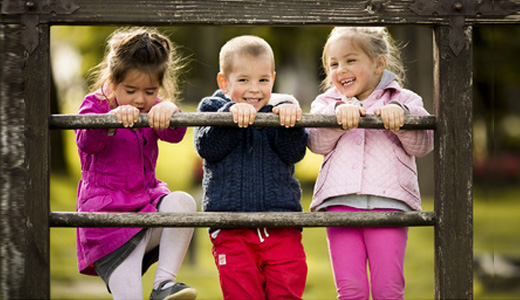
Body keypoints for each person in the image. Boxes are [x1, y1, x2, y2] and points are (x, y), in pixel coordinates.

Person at [307, 27, 434, 300]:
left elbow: (423, 146)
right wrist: (337, 117)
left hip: (390, 203)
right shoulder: (327, 102)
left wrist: (400, 118)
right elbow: (316, 144)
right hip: (340, 203)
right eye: (333, 64)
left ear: (379, 64)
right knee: (351, 290)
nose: (341, 69)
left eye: (351, 60)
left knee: (387, 289)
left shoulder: (405, 100)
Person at [75, 27, 197, 300]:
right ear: (113, 81)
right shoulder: (95, 104)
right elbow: (86, 142)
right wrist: (111, 120)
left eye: (150, 91)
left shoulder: (153, 107)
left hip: (146, 210)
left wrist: (170, 110)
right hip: (109, 223)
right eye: (131, 90)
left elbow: (174, 135)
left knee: (183, 203)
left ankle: (164, 285)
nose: (141, 99)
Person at [193, 35, 308, 300]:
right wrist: (229, 116)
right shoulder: (211, 107)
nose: (254, 89)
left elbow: (295, 153)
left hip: (282, 226)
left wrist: (289, 122)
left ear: (273, 79)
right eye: (243, 80)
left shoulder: (279, 110)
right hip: (232, 228)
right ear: (224, 82)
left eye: (263, 80)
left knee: (287, 293)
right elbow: (207, 148)